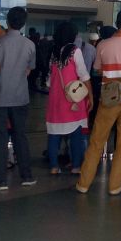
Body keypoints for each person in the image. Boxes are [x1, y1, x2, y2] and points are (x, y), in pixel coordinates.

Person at [75, 9, 121, 196]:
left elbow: (97, 70)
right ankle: (115, 186)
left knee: (97, 142)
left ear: (116, 23)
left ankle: (83, 184)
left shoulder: (103, 45)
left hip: (109, 100)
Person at [0, 6, 36, 190]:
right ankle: (27, 176)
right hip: (20, 97)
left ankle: (1, 179)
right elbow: (29, 70)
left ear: (7, 22)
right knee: (20, 136)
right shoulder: (30, 45)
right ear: (23, 24)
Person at [45, 22, 91, 175]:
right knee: (76, 134)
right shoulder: (74, 51)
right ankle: (76, 165)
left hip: (55, 99)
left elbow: (49, 81)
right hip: (72, 99)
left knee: (54, 133)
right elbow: (84, 75)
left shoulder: (54, 51)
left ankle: (54, 166)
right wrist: (90, 94)